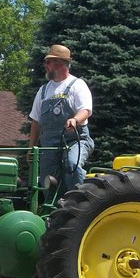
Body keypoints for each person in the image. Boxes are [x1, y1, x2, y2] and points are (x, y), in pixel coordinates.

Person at [28, 44, 94, 193]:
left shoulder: (77, 85)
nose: (45, 66)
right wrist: (31, 148)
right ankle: (53, 214)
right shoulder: (43, 91)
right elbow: (36, 121)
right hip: (49, 148)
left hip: (75, 141)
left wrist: (75, 120)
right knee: (47, 182)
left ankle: (80, 202)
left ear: (58, 64)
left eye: (48, 62)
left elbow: (85, 110)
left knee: (72, 164)